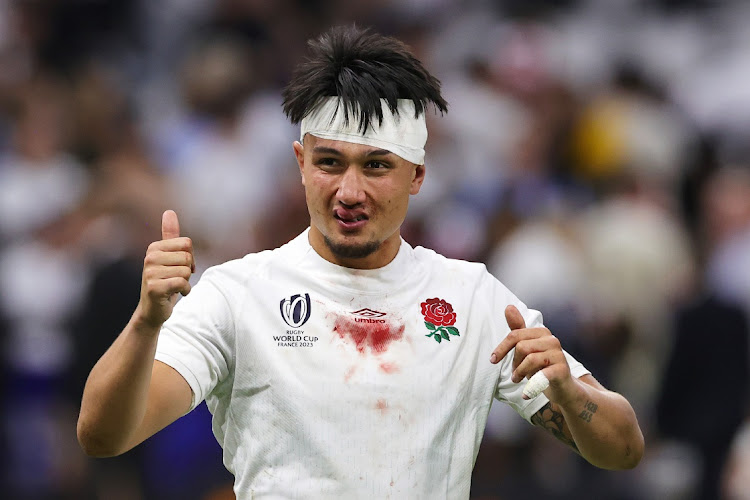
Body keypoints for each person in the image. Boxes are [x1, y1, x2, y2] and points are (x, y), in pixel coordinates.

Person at [77, 25, 644, 499]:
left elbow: (622, 449)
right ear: (300, 162)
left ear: (417, 175)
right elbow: (103, 437)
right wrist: (146, 322)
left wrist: (570, 392)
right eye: (329, 162)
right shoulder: (236, 294)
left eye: (375, 166)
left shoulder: (471, 298)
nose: (349, 191)